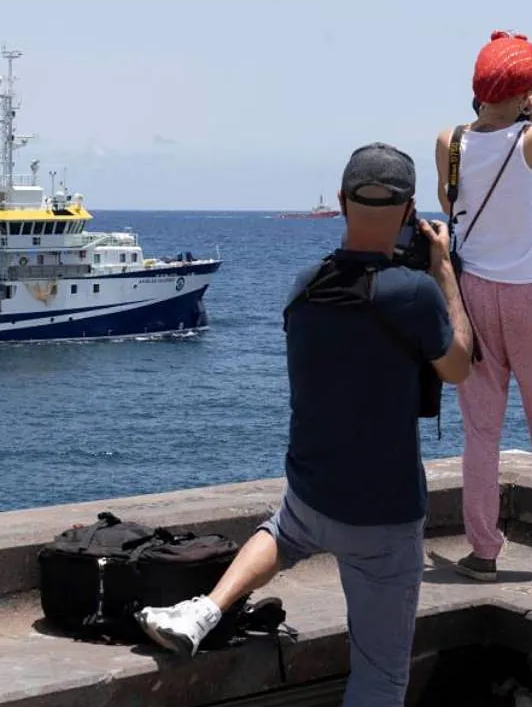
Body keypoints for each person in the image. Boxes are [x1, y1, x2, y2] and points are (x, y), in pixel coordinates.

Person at [135, 143, 474, 706]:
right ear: (411, 210)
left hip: (314, 495)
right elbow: (458, 366)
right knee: (381, 677)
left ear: (341, 202)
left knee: (283, 532)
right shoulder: (415, 293)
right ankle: (209, 610)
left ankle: (207, 609)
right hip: (383, 518)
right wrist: (442, 271)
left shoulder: (305, 285)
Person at [433, 31, 532, 584]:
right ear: (525, 91)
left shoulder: (449, 140)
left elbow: (451, 205)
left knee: (481, 430)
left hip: (475, 294)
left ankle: (483, 552)